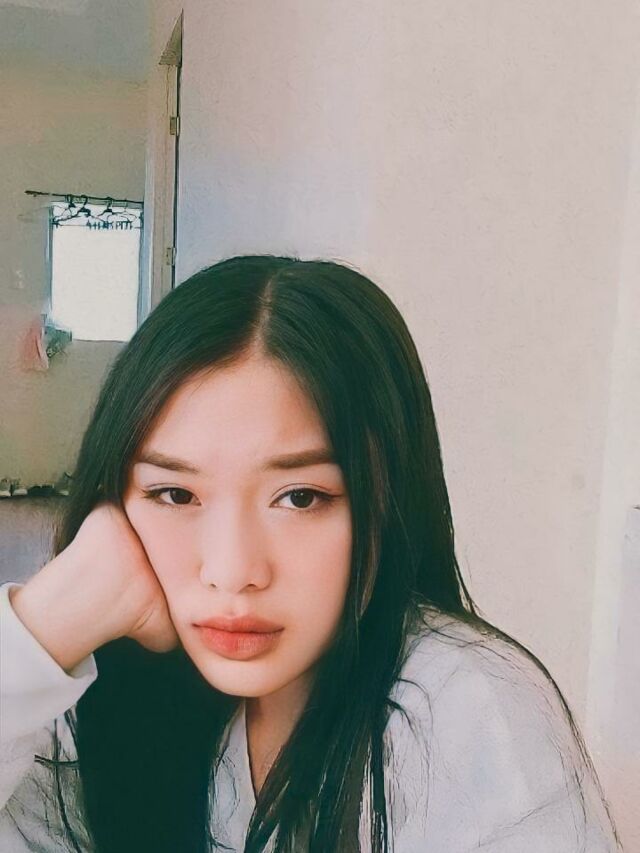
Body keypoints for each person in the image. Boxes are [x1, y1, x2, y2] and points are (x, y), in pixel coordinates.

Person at [0, 255, 622, 853]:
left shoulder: (462, 712)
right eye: (176, 494)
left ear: (385, 500)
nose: (232, 572)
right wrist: (44, 624)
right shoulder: (107, 687)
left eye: (299, 497)